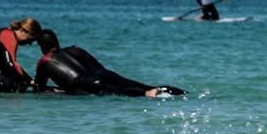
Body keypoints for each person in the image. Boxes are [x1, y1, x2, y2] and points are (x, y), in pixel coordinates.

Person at [33, 30, 185, 97]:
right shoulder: (75, 49)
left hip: (86, 82)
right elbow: (98, 67)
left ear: (41, 46)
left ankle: (146, 94)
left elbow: (39, 88)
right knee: (146, 86)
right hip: (103, 73)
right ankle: (182, 93)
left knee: (124, 93)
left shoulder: (44, 61)